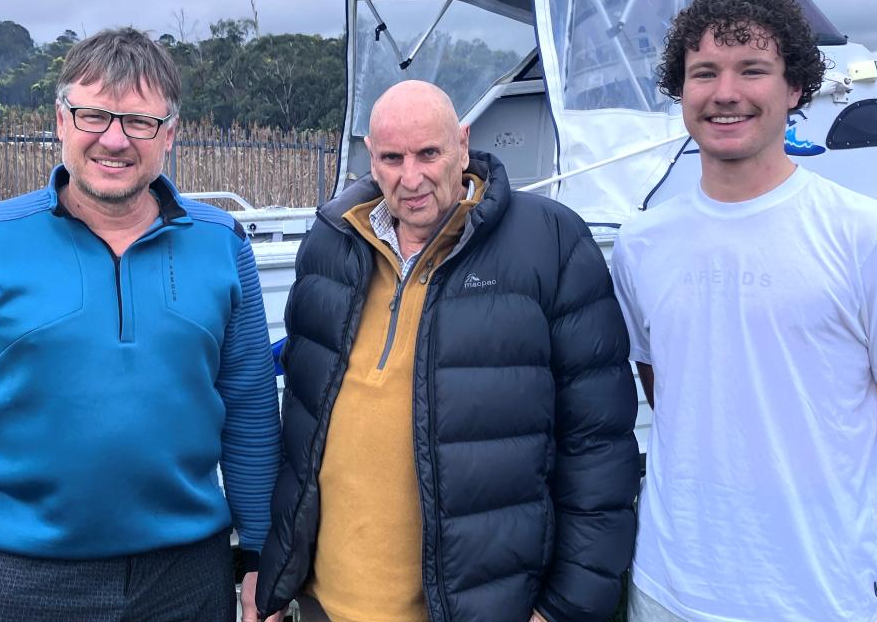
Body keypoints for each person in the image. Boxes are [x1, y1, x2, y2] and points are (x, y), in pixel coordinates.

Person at [0, 28, 282, 622]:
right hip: (26, 583)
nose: (114, 140)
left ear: (169, 133)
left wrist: (258, 558)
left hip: (188, 581)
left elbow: (250, 412)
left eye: (139, 122)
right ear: (61, 120)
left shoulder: (223, 245)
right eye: (93, 116)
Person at [611, 0, 877, 622]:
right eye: (703, 72)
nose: (725, 92)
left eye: (753, 69)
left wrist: (834, 514)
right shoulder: (640, 243)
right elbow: (669, 386)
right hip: (668, 587)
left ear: (795, 88)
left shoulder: (868, 235)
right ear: (680, 91)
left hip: (813, 596)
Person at [255, 80, 640, 622]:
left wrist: (564, 609)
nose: (410, 178)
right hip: (326, 605)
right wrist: (275, 579)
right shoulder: (330, 245)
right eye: (392, 157)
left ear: (463, 144)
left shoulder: (550, 242)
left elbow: (598, 445)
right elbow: (301, 433)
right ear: (371, 156)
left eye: (429, 153)